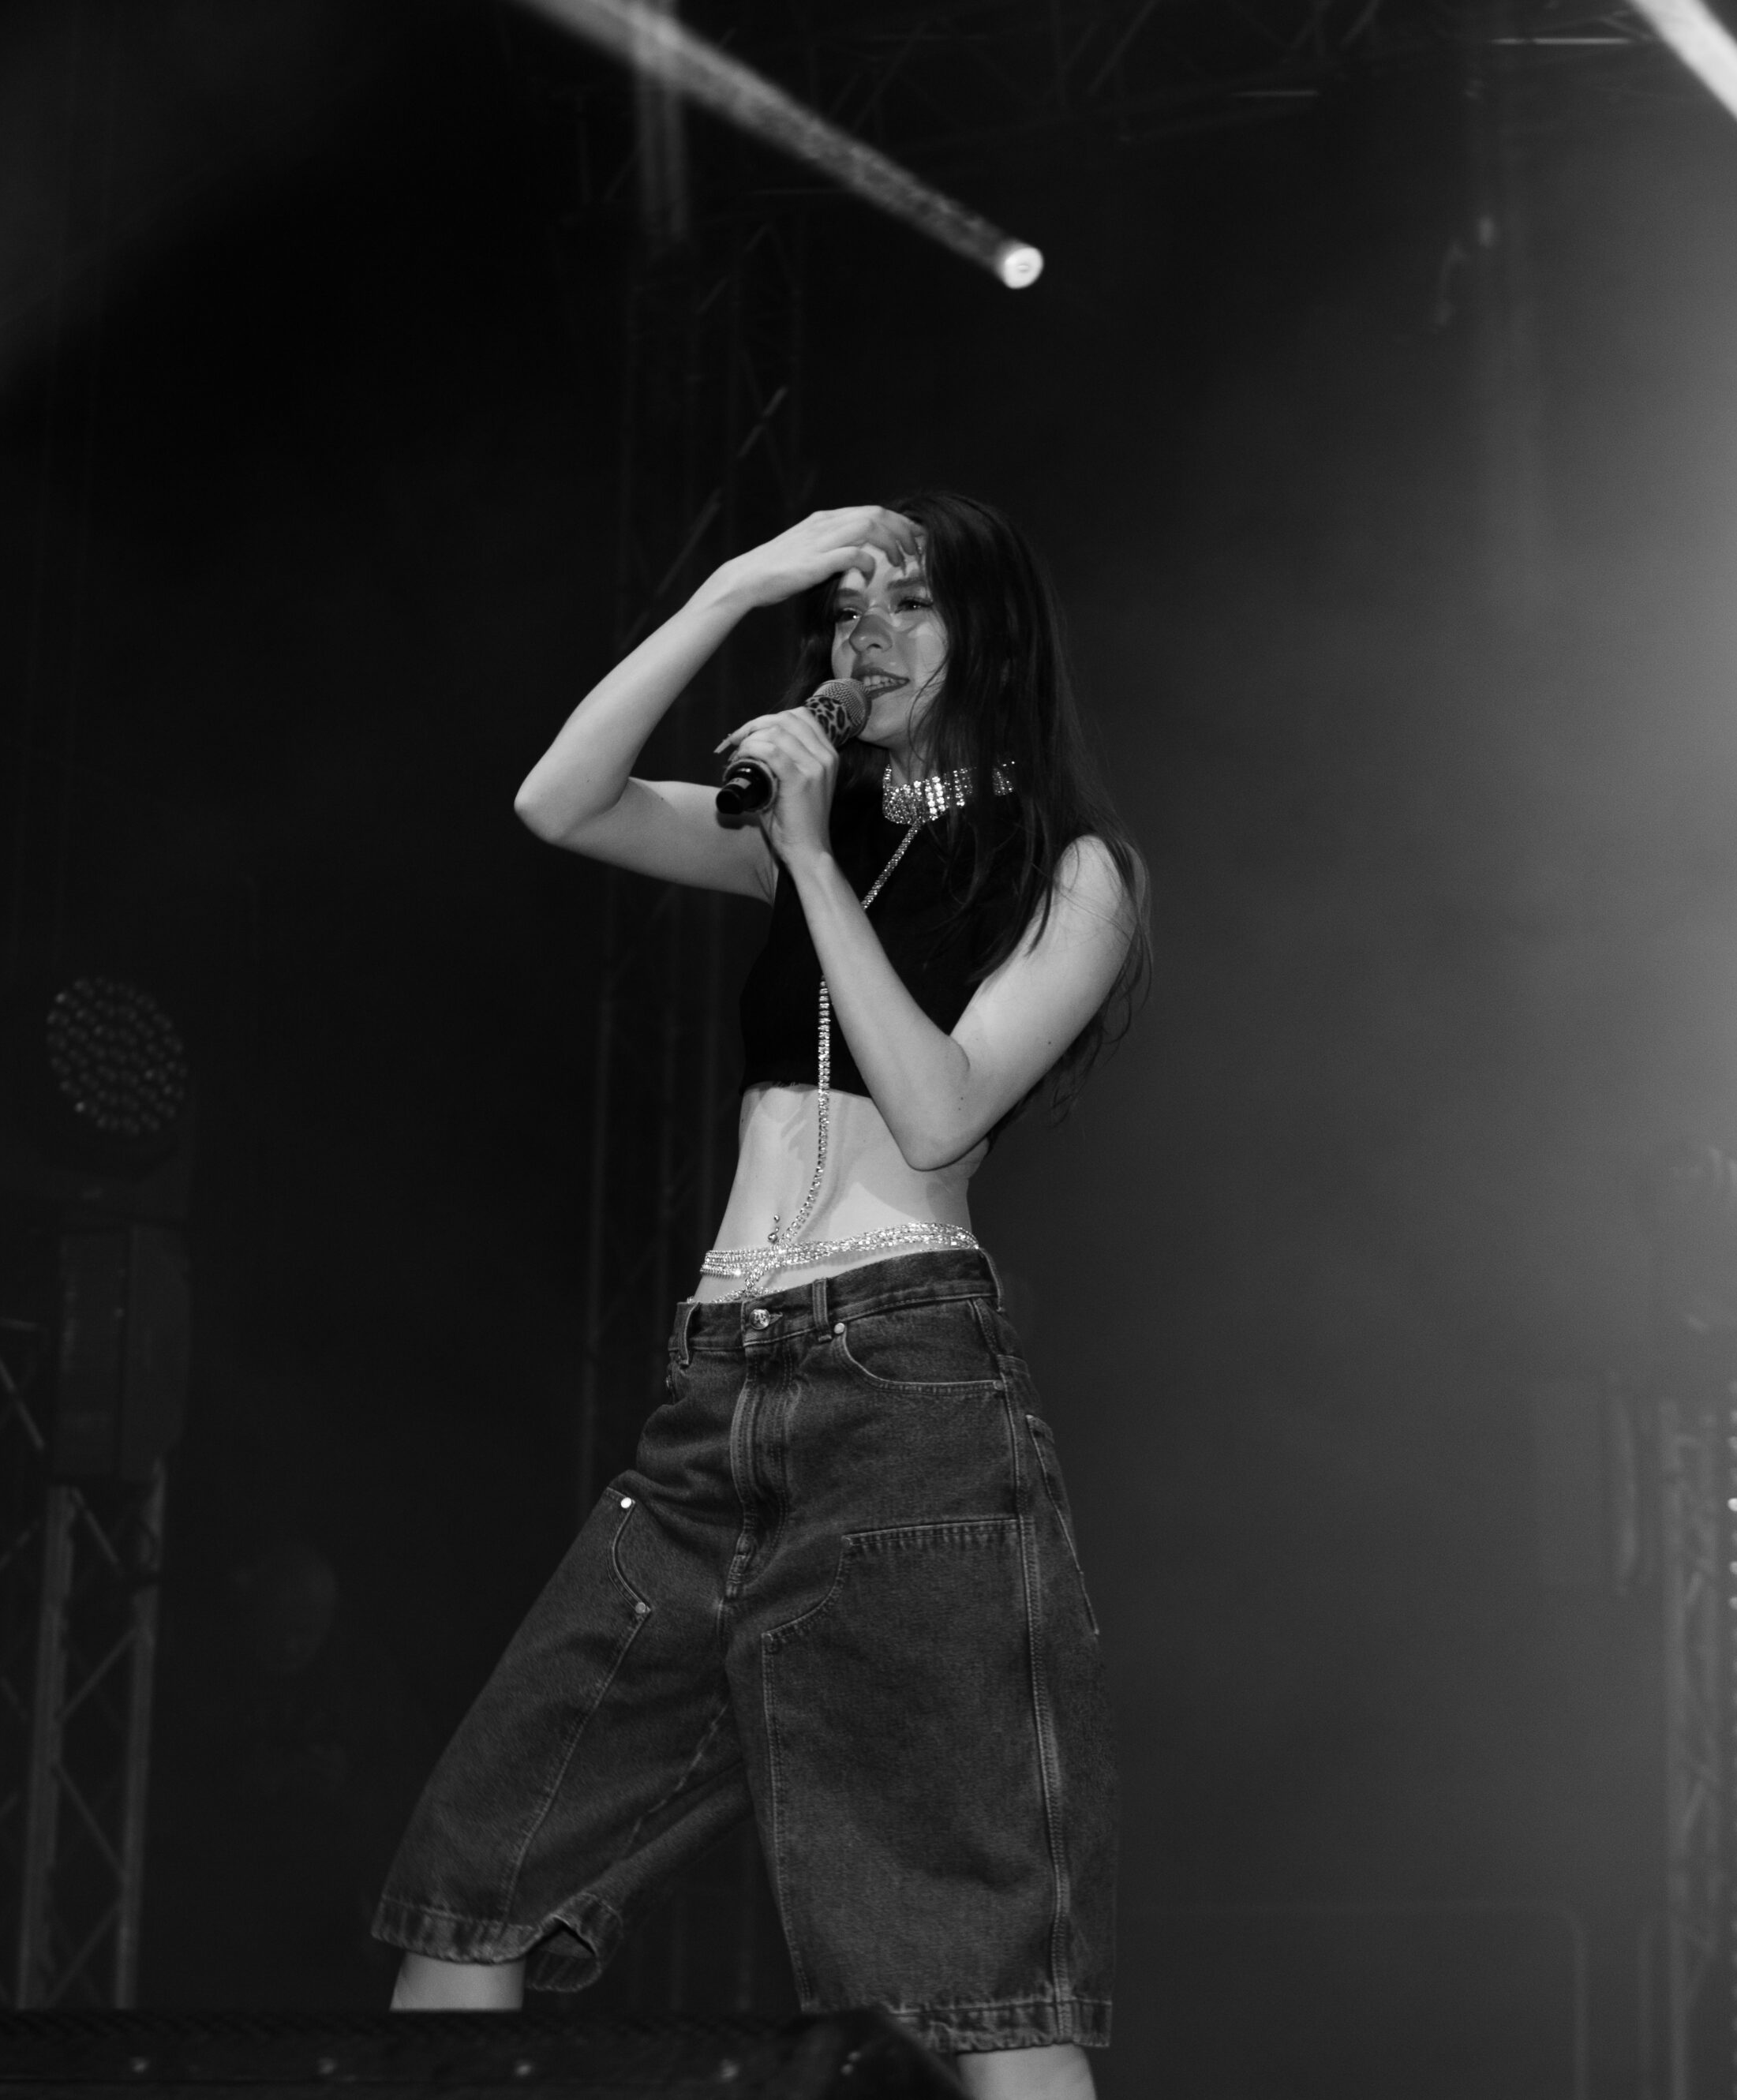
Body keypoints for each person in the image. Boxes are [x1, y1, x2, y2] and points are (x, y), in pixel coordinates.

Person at [375, 493, 1146, 2100]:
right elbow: (557, 798)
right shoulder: (815, 837)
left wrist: (805, 857)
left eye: (910, 602)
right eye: (846, 609)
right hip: (713, 1398)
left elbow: (938, 1109)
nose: (868, 632)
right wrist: (737, 583)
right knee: (475, 1871)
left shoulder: (1071, 873)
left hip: (903, 1401)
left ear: (996, 634)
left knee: (974, 1974)